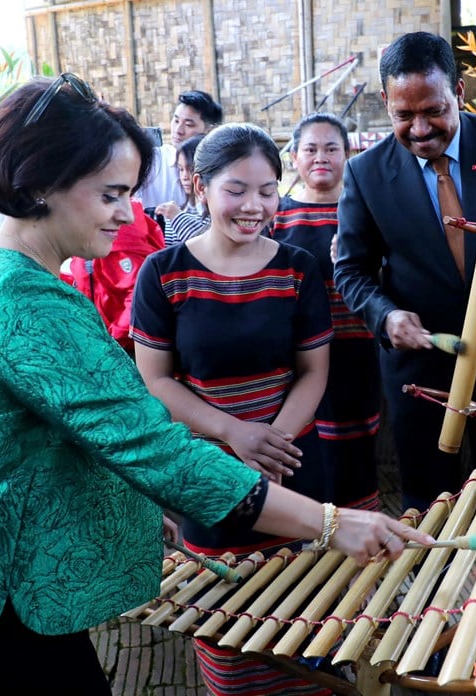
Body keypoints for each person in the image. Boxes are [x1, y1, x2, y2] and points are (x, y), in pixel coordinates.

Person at [0, 75, 432, 695]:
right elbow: (151, 444)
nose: (125, 213)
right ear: (40, 184)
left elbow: (64, 425)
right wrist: (329, 524)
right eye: (110, 194)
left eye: (129, 193)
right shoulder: (25, 297)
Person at [131, 122, 340, 695]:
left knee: (308, 611)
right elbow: (155, 381)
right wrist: (234, 436)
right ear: (200, 188)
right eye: (237, 190)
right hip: (207, 472)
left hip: (294, 462)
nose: (255, 206)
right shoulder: (164, 274)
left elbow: (313, 371)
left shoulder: (298, 267)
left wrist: (272, 444)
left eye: (268, 190)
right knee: (227, 617)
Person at [333, 32, 476, 510]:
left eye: (434, 111)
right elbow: (352, 270)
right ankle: (428, 579)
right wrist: (385, 316)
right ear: (385, 103)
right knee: (428, 497)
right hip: (422, 366)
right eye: (403, 115)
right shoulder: (366, 174)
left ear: (459, 93)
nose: (420, 128)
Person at [272, 113, 382, 511]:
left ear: (348, 155)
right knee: (305, 443)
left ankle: (359, 534)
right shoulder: (276, 216)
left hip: (357, 350)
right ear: (296, 159)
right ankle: (311, 531)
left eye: (331, 148)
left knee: (355, 443)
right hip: (296, 357)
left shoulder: (367, 213)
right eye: (311, 149)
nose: (321, 157)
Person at [68, 198, 164, 352]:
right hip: (99, 336)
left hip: (122, 347)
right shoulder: (94, 230)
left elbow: (137, 295)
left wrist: (113, 340)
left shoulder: (118, 238)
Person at [137, 89, 223, 211]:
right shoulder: (151, 161)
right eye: (176, 121)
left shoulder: (219, 171)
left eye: (188, 124)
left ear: (209, 131)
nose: (178, 130)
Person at [156, 134, 211, 245]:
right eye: (181, 169)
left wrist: (177, 217)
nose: (184, 176)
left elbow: (205, 243)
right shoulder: (183, 209)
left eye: (190, 169)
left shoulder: (215, 212)